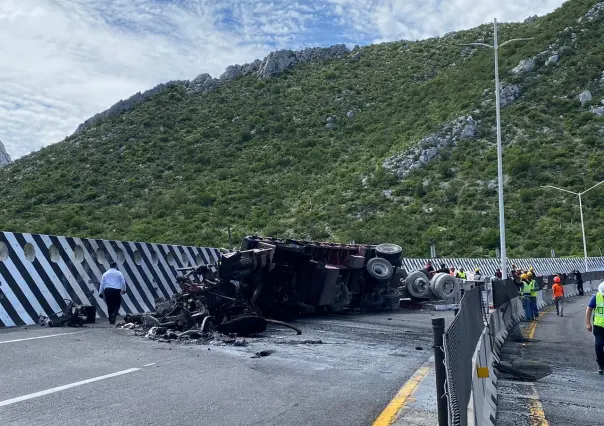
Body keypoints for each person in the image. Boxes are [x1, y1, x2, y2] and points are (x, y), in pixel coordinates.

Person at [585, 283, 604, 375]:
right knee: (599, 346)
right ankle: (601, 364)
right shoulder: (596, 297)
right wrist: (588, 323)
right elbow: (589, 309)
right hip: (598, 327)